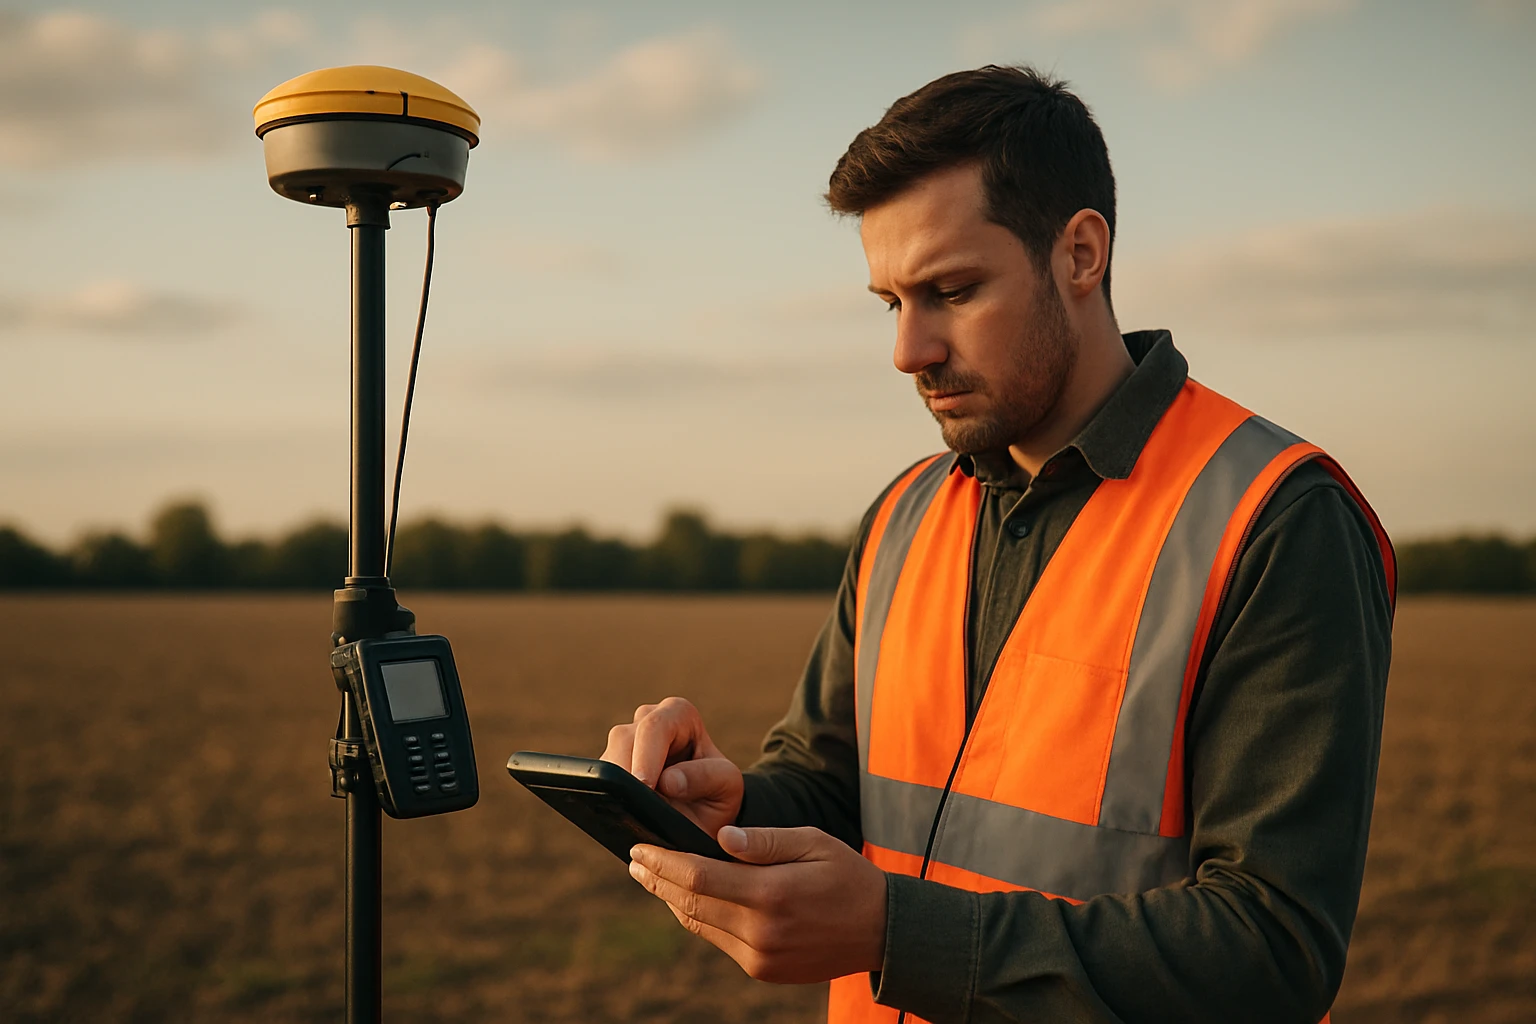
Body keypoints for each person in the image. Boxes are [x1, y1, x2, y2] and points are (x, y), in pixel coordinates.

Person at [601, 65, 1395, 1024]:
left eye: (951, 290)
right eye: (892, 302)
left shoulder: (1276, 520)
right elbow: (831, 784)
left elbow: (1272, 952)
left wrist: (898, 936)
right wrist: (729, 810)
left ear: (1082, 253)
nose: (909, 350)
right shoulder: (903, 514)